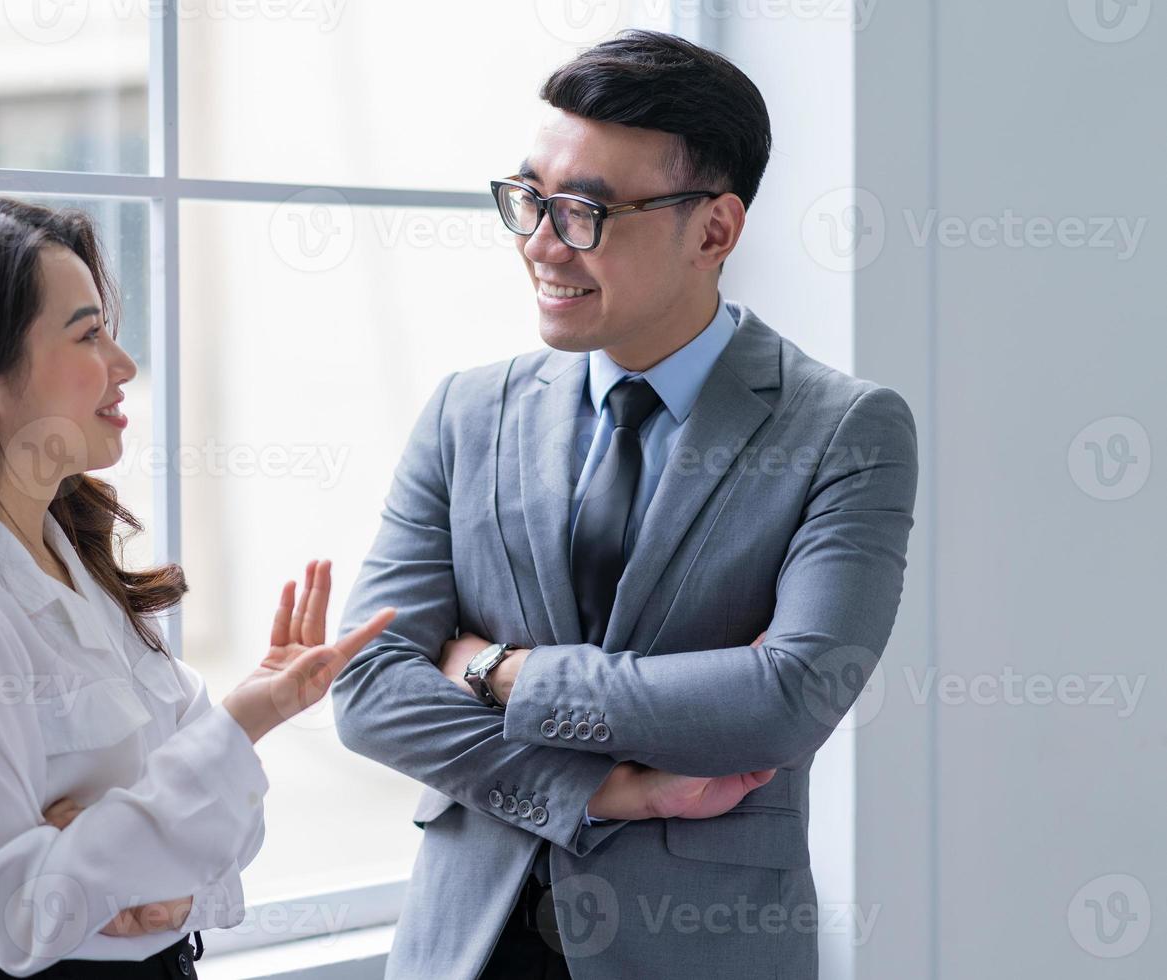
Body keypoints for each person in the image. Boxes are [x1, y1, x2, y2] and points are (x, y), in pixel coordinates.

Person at [332, 31, 917, 978]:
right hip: (467, 946)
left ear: (714, 231)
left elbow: (786, 698)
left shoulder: (844, 430)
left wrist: (498, 671)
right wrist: (606, 791)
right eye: (529, 199)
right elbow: (365, 688)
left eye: (584, 213)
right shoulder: (466, 410)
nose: (538, 243)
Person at [0, 197, 394, 978]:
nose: (123, 364)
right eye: (87, 334)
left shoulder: (72, 566)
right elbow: (24, 916)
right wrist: (231, 734)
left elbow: (225, 835)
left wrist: (130, 862)